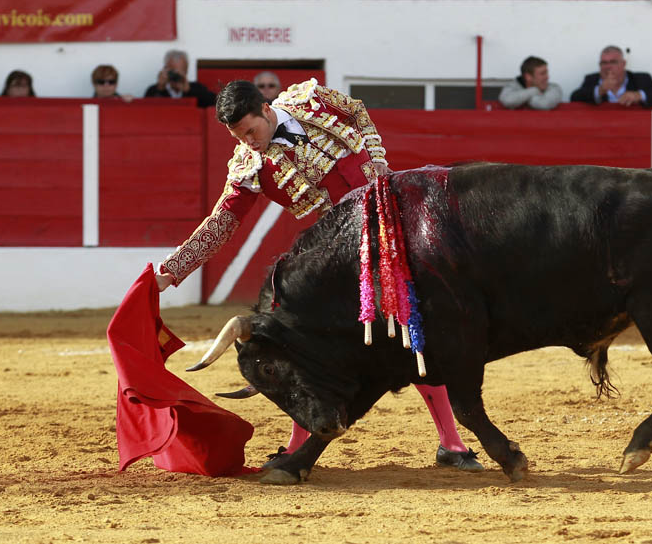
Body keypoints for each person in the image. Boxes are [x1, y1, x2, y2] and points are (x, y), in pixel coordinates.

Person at [155, 79, 484, 472]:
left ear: (265, 109)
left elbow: (358, 112)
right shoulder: (249, 167)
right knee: (308, 350)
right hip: (340, 256)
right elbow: (222, 223)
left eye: (251, 132)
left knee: (414, 336)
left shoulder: (310, 99)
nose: (248, 143)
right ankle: (297, 448)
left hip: (393, 231)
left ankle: (451, 442)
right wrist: (170, 272)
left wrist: (377, 159)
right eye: (238, 137)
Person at [570, 45, 652, 107]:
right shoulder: (591, 80)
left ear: (623, 64)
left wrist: (639, 95)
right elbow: (574, 97)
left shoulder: (641, 79)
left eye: (613, 62)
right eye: (604, 63)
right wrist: (600, 90)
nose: (608, 67)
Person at [143, 49, 217, 108]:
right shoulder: (154, 90)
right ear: (165, 69)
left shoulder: (197, 88)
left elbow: (214, 103)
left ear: (186, 71)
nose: (176, 75)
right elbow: (147, 108)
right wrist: (160, 88)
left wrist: (189, 90)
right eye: (173, 71)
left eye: (181, 72)